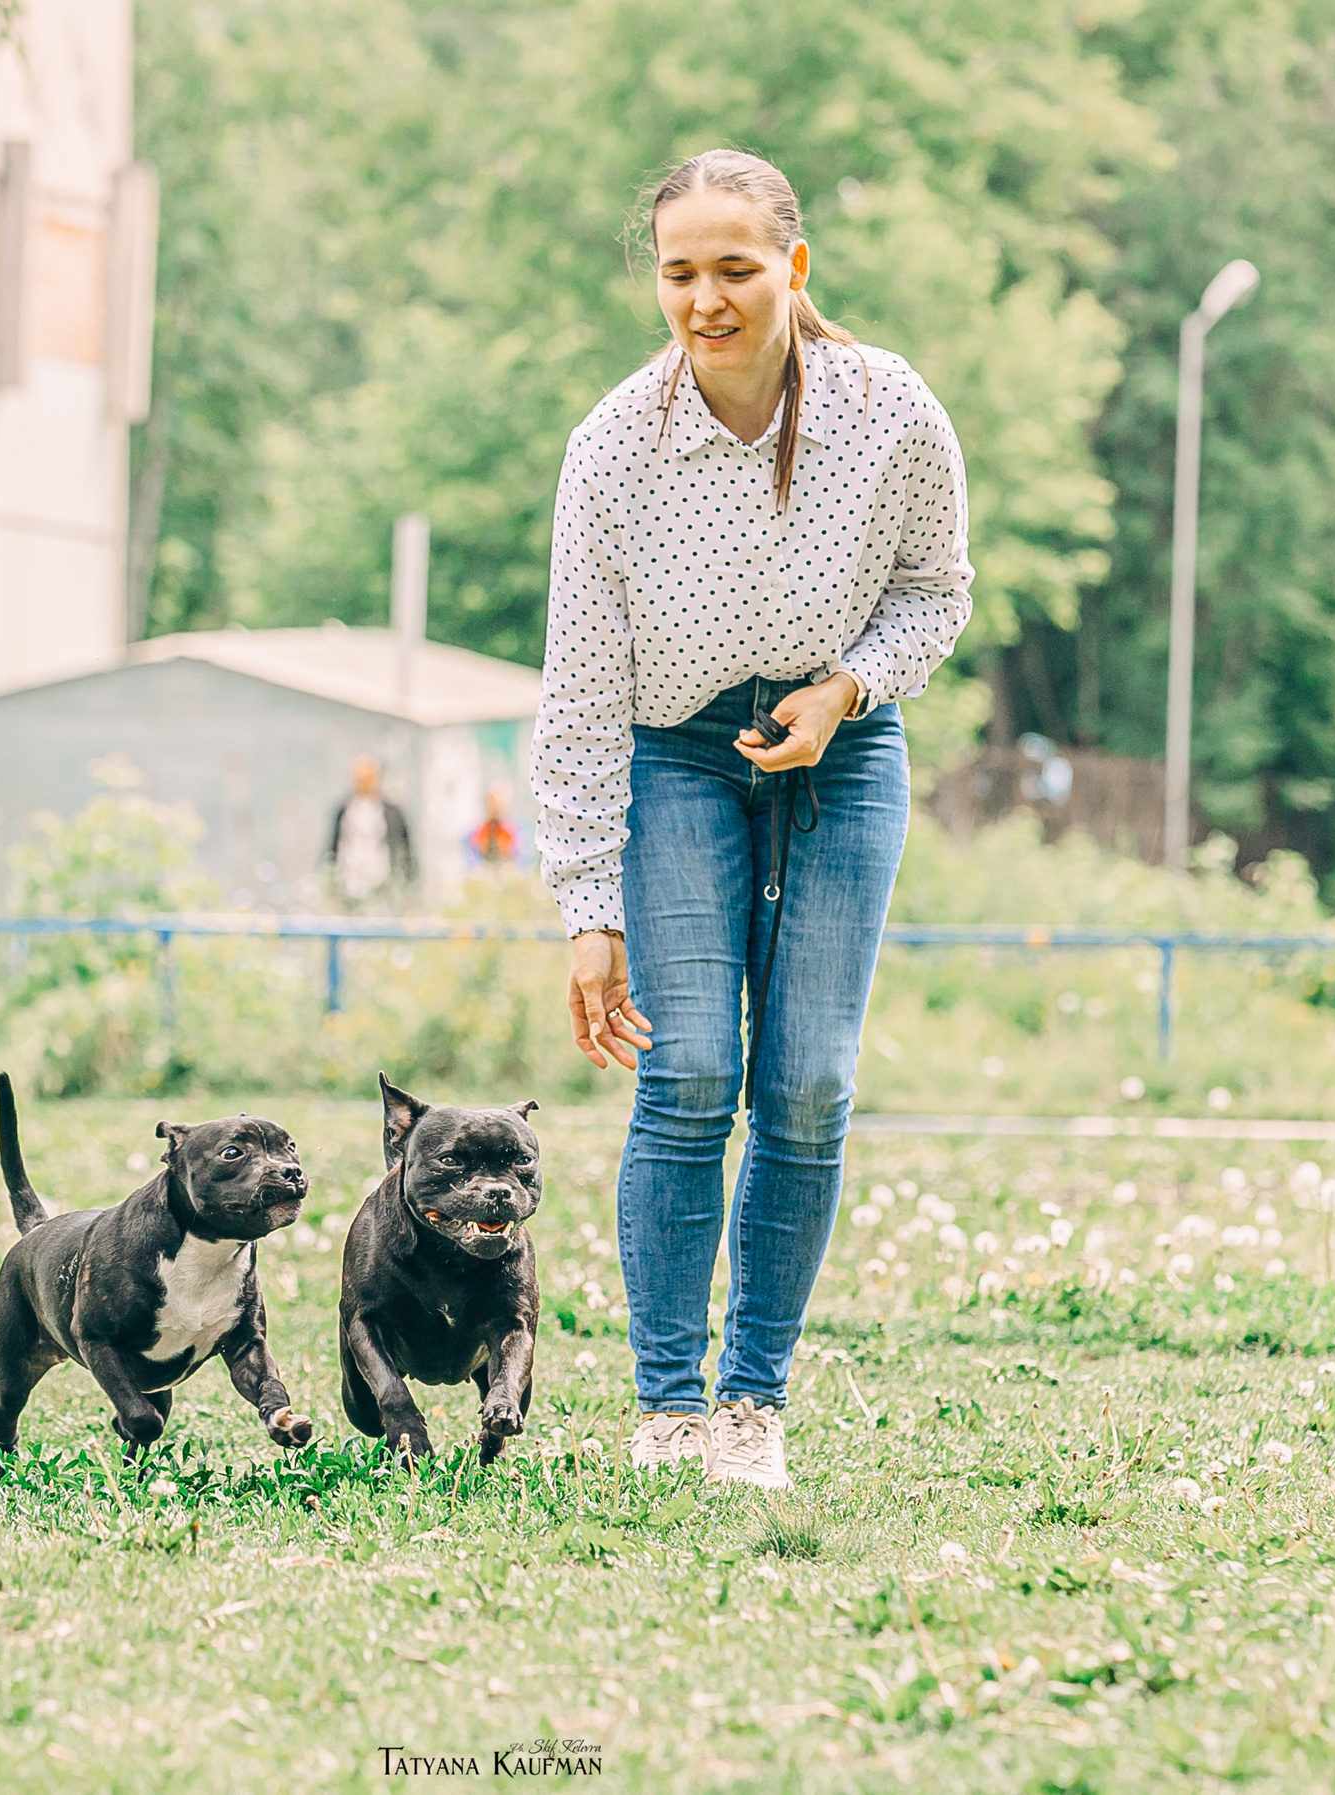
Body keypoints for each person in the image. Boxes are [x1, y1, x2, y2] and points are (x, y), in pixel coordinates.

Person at [531, 150, 973, 1490]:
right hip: (676, 755)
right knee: (686, 1075)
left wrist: (848, 687)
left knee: (807, 1081)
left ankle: (750, 1404)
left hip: (843, 742)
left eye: (735, 268)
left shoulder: (890, 412)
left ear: (791, 268)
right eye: (680, 272)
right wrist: (587, 908)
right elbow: (580, 686)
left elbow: (938, 595)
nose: (707, 299)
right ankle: (667, 1406)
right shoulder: (613, 446)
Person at [325, 755, 413, 905]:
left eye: (369, 778)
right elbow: (333, 847)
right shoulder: (344, 810)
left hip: (383, 880)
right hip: (350, 880)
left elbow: (405, 849)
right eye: (360, 778)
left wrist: (408, 886)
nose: (364, 783)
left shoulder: (392, 813)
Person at [465, 782, 521, 868]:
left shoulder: (515, 832)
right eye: (492, 803)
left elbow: (521, 860)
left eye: (499, 804)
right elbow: (471, 862)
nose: (496, 808)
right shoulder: (476, 833)